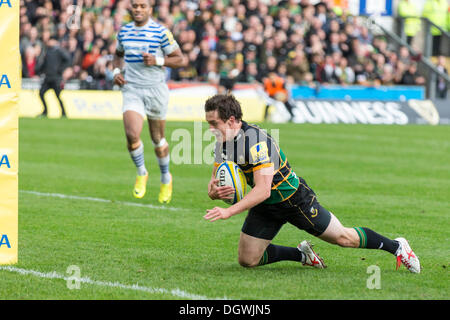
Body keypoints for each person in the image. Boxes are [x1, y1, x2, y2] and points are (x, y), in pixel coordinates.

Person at [204, 94, 420, 273]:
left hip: (295, 200)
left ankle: (397, 246)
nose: (211, 129)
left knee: (344, 239)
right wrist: (215, 192)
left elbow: (262, 189)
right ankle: (302, 254)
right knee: (247, 259)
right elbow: (215, 181)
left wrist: (229, 211)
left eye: (215, 124)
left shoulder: (257, 142)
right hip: (267, 205)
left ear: (231, 120)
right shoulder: (222, 144)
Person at [112, 0, 187, 203]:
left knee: (157, 140)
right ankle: (142, 172)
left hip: (155, 90)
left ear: (149, 9)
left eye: (142, 6)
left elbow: (181, 59)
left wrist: (158, 61)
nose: (138, 9)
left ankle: (165, 177)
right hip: (132, 88)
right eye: (135, 5)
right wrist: (116, 71)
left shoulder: (160, 32)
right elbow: (117, 55)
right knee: (131, 134)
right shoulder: (124, 32)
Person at [37, 36, 71, 118]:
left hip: (56, 79)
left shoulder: (59, 51)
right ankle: (45, 111)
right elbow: (44, 64)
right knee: (41, 93)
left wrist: (60, 70)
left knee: (58, 96)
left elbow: (68, 60)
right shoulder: (47, 51)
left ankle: (63, 113)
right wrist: (39, 72)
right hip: (48, 78)